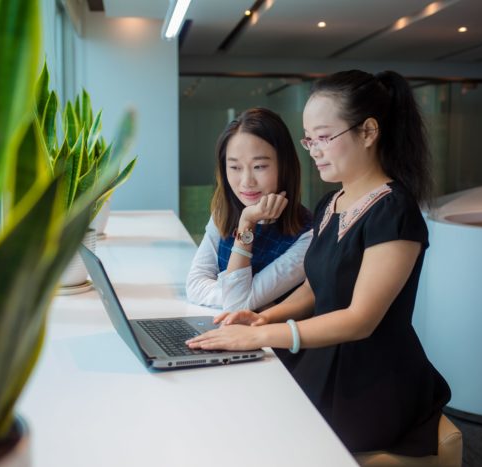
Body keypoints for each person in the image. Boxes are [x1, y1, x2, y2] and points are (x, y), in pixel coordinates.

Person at [187, 70, 451, 456]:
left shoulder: (394, 210)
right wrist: (265, 318)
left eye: (324, 137)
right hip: (322, 356)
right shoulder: (332, 203)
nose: (314, 150)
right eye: (309, 139)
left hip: (371, 379)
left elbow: (360, 319)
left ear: (368, 132)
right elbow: (315, 287)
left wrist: (261, 336)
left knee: (271, 439)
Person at [185, 107, 313, 313]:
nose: (246, 182)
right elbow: (195, 285)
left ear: (285, 166)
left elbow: (236, 304)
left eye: (259, 166)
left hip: (269, 343)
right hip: (226, 331)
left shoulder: (307, 235)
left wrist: (247, 222)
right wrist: (247, 300)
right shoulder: (223, 210)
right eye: (235, 167)